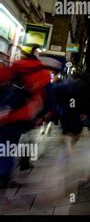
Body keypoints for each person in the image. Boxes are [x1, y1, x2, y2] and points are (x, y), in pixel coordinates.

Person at [0, 47, 51, 186]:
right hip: (22, 113)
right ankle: (4, 175)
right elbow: (45, 96)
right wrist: (41, 115)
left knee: (4, 141)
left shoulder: (16, 66)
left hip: (6, 108)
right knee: (10, 142)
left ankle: (6, 171)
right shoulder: (42, 73)